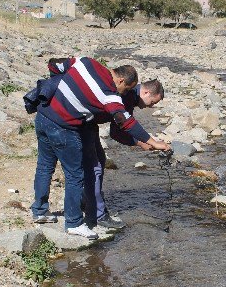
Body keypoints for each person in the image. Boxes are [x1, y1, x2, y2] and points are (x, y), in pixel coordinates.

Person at [29, 57, 170, 240]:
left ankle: (40, 211)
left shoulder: (87, 62)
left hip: (44, 114)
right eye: (153, 103)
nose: (150, 107)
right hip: (68, 125)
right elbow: (122, 124)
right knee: (79, 173)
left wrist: (62, 88)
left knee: (46, 165)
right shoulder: (113, 94)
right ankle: (79, 221)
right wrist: (152, 142)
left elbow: (54, 64)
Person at [82, 78, 165, 230]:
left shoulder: (130, 96)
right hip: (82, 122)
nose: (151, 106)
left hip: (88, 121)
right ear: (146, 92)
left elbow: (119, 130)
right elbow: (116, 132)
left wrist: (142, 143)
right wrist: (143, 143)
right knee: (95, 167)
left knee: (98, 160)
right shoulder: (127, 95)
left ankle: (85, 199)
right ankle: (98, 214)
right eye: (152, 102)